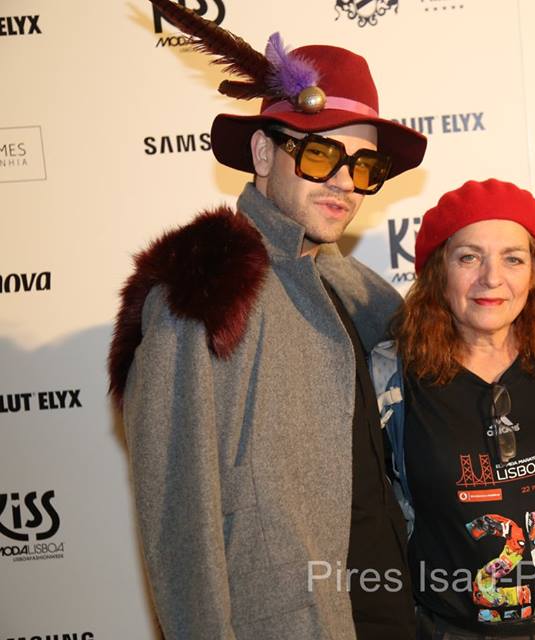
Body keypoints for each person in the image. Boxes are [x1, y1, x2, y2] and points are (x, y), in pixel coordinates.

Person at [107, 3, 427, 638]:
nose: (344, 183)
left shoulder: (370, 298)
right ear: (262, 151)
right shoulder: (204, 291)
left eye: (364, 167)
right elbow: (180, 519)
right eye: (320, 155)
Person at [371, 179, 535, 639]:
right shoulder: (393, 378)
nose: (491, 278)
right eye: (469, 257)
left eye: (513, 258)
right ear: (438, 271)